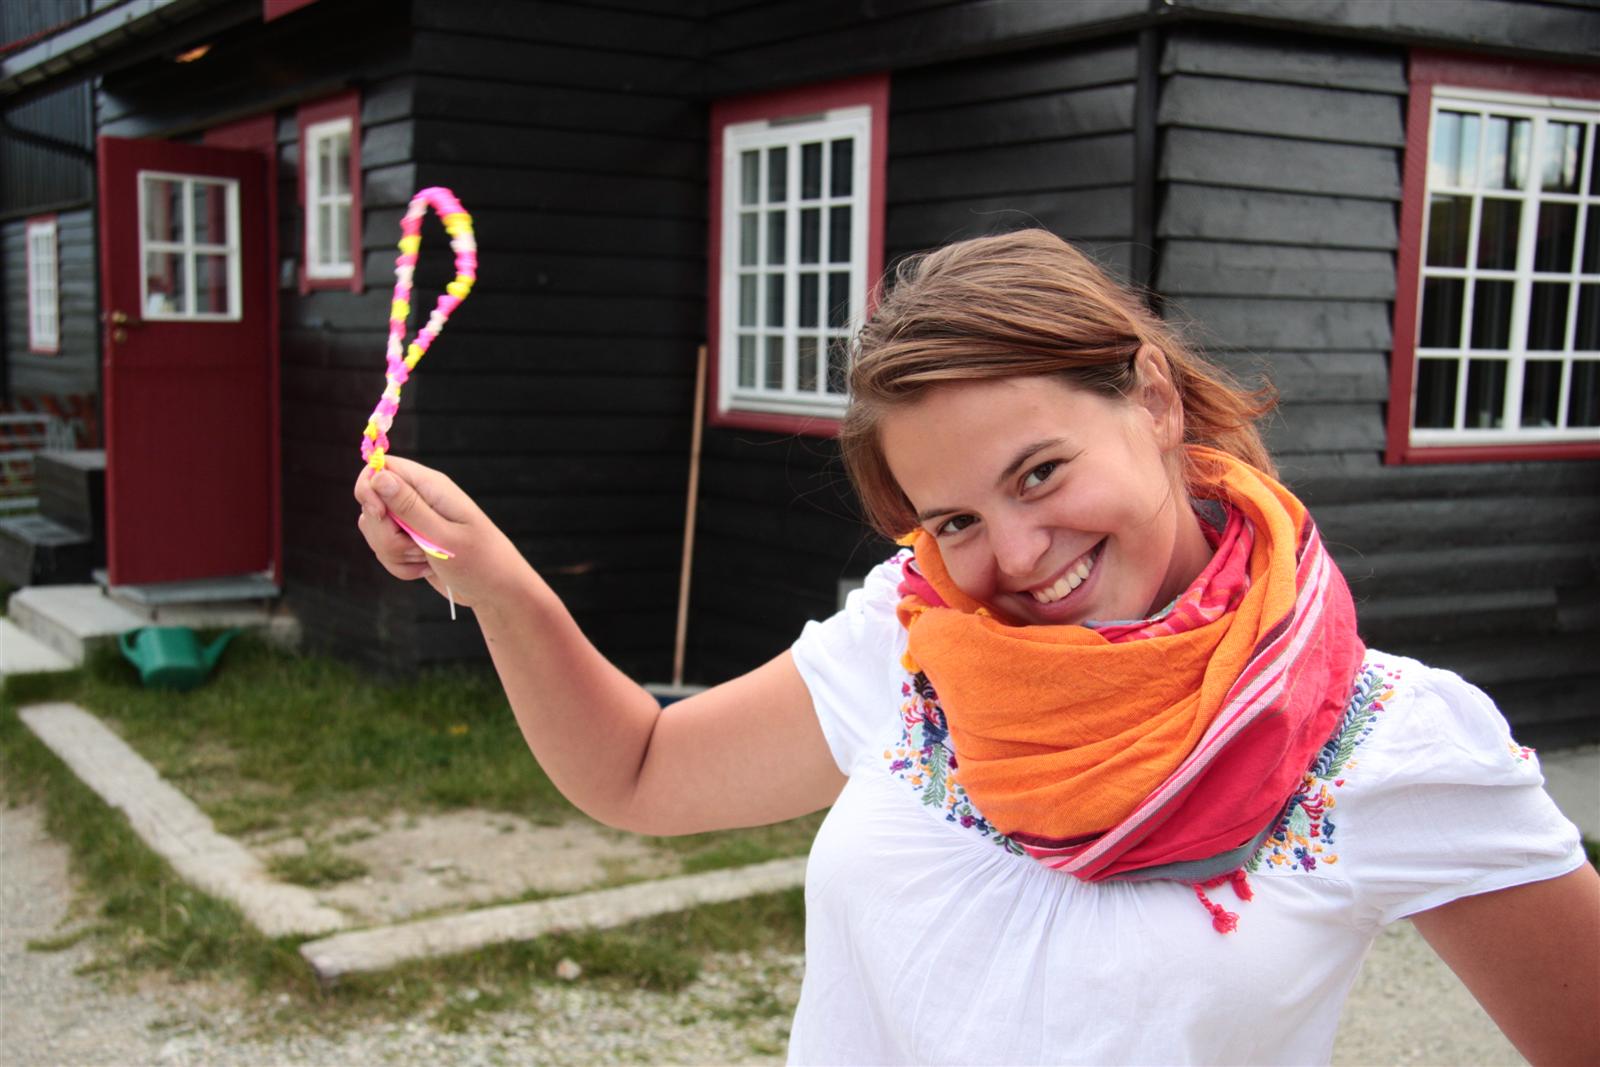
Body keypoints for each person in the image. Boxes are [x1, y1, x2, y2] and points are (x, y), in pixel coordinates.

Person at [355, 228, 1598, 1066]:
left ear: (1153, 399)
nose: (1015, 553)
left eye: (1040, 470)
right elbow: (639, 770)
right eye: (953, 517)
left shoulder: (1385, 744)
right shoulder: (915, 635)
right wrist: (500, 582)